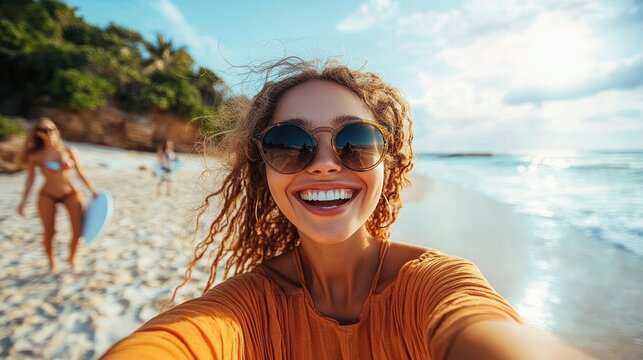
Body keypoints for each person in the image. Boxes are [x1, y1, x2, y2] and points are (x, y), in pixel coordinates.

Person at [103, 59, 594, 359]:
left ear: (390, 162)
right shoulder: (246, 309)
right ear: (263, 169)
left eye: (355, 141)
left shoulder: (435, 284)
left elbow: (482, 330)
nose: (322, 165)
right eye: (290, 144)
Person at [16, 117, 97, 272]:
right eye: (44, 130)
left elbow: (81, 173)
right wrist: (23, 201)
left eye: (52, 129)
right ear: (37, 134)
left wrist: (94, 191)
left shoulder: (69, 151)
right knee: (50, 232)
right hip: (47, 195)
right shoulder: (35, 156)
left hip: (70, 193)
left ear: (57, 131)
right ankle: (52, 263)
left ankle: (72, 259)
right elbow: (30, 180)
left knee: (77, 230)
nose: (49, 133)